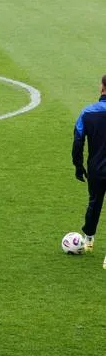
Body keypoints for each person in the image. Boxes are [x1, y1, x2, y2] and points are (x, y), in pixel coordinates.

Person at [72, 75, 106, 266]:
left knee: (94, 202)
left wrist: (78, 165)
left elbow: (78, 140)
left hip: (96, 168)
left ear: (102, 88)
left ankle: (89, 238)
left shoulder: (88, 112)